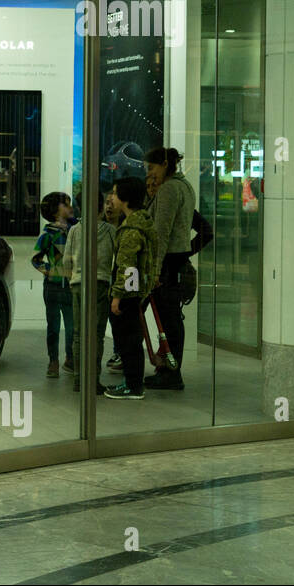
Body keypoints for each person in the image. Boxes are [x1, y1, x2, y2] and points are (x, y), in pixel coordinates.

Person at [144, 146, 195, 391]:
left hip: (167, 262)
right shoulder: (184, 186)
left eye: (152, 168)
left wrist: (154, 271)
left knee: (169, 321)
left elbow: (160, 233)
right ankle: (168, 368)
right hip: (177, 259)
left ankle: (171, 372)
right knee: (171, 320)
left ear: (164, 165)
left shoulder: (169, 189)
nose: (150, 174)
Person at [105, 176, 161, 400]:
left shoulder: (131, 230)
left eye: (116, 193)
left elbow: (127, 266)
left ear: (126, 199)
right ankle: (133, 383)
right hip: (140, 290)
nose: (112, 197)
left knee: (127, 340)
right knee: (132, 339)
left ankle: (132, 385)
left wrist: (119, 296)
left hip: (129, 293)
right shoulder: (144, 222)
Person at [62, 189, 116, 393]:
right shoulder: (110, 231)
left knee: (78, 334)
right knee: (97, 334)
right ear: (101, 206)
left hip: (77, 284)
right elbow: (116, 258)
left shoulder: (75, 230)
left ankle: (78, 379)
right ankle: (93, 379)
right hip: (100, 284)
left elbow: (67, 260)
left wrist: (72, 278)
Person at [31, 191, 74, 378]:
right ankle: (53, 360)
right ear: (56, 211)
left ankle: (70, 359)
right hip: (53, 287)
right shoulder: (48, 235)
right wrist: (50, 271)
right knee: (53, 327)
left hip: (71, 286)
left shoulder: (75, 230)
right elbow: (36, 259)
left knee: (73, 328)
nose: (70, 208)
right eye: (66, 204)